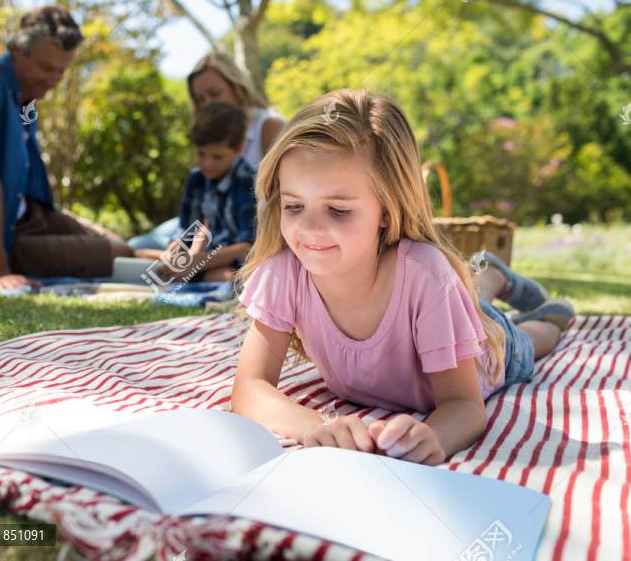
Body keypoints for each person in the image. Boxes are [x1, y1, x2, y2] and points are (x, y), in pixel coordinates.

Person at [231, 88, 575, 466]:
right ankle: (486, 272)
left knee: (523, 336)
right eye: (294, 205)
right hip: (448, 308)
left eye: (339, 210)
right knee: (469, 296)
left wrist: (437, 437)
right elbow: (249, 387)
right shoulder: (284, 271)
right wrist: (313, 424)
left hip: (489, 348)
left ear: (387, 210)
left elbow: (463, 404)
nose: (310, 229)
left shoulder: (426, 274)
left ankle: (548, 311)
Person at [0, 5, 132, 289]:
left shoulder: (25, 99)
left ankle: (196, 262)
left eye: (62, 70)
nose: (54, 79)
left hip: (31, 218)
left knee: (121, 246)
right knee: (120, 256)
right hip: (0, 240)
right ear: (17, 50)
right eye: (46, 67)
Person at [127, 52, 285, 250]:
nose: (208, 104)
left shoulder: (268, 125)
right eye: (200, 99)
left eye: (215, 93)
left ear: (237, 88)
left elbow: (284, 198)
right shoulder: (208, 132)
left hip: (249, 230)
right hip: (208, 223)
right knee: (135, 246)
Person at [135, 102, 258, 282]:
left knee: (229, 277)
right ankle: (185, 275)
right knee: (139, 254)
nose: (207, 163)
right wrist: (175, 253)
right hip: (200, 258)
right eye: (201, 154)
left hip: (230, 261)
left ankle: (192, 277)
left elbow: (248, 247)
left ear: (238, 149)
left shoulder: (246, 180)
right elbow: (185, 230)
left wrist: (198, 262)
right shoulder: (196, 179)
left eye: (217, 156)